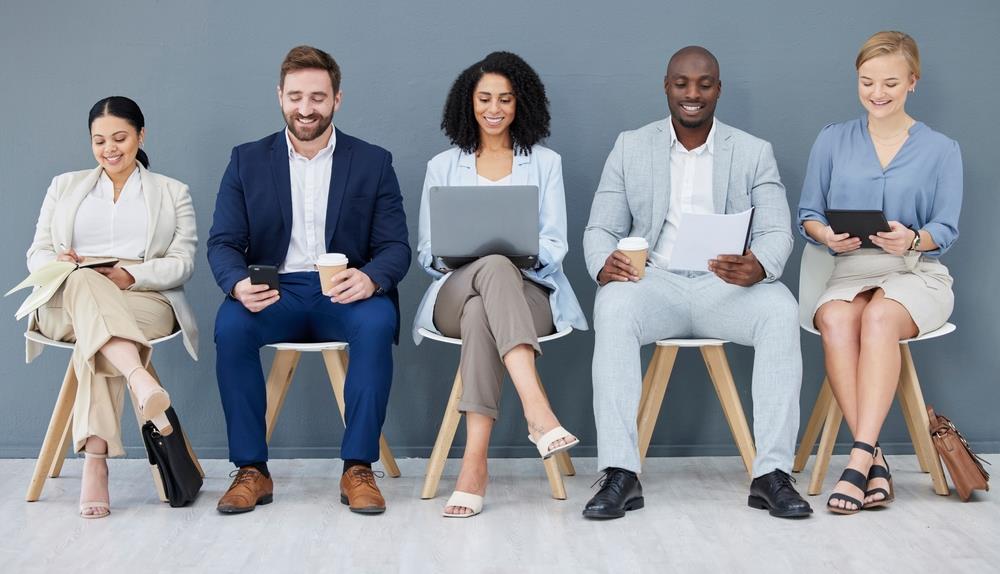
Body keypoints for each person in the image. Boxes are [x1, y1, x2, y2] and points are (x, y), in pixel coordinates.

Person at [582, 46, 812, 520]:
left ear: (718, 89)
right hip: (655, 283)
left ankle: (772, 474)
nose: (692, 94)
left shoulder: (752, 151)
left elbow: (775, 231)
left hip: (724, 286)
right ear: (666, 86)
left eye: (704, 84)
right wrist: (604, 264)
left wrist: (761, 265)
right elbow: (599, 228)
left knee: (780, 308)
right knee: (612, 306)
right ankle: (620, 473)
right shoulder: (631, 145)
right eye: (682, 83)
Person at [208, 46, 410, 515]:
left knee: (378, 323)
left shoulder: (373, 162)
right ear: (280, 95)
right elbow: (222, 242)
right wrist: (238, 284)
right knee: (231, 327)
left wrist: (372, 279)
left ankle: (358, 467)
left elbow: (396, 248)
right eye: (295, 96)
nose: (305, 108)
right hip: (274, 290)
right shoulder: (246, 160)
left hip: (344, 291)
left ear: (337, 99)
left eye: (317, 97)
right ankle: (251, 469)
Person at [414, 51, 588, 517]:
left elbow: (555, 245)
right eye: (485, 98)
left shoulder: (545, 164)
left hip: (528, 292)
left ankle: (473, 465)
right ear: (468, 103)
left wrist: (518, 257)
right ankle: (538, 411)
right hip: (454, 290)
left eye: (506, 99)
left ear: (521, 104)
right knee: (488, 269)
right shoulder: (443, 166)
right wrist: (478, 258)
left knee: (483, 310)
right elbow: (428, 253)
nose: (495, 108)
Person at [798, 31, 962, 515]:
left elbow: (946, 228)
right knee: (834, 319)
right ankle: (876, 460)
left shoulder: (941, 149)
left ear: (913, 82)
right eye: (867, 81)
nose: (877, 92)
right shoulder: (832, 139)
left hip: (915, 271)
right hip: (850, 268)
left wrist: (912, 238)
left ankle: (859, 458)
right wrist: (826, 237)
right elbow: (809, 212)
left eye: (890, 82)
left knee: (878, 319)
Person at [25, 96, 198, 518]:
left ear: (141, 135)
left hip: (143, 298)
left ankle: (95, 465)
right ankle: (139, 379)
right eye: (99, 140)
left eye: (120, 137)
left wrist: (130, 276)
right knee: (86, 287)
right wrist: (60, 265)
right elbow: (37, 253)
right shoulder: (64, 186)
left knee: (98, 337)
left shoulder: (172, 193)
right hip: (67, 297)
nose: (110, 148)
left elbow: (182, 263)